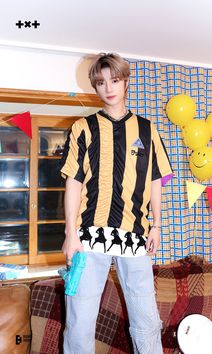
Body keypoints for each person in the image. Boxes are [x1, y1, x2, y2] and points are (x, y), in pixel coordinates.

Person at [60, 52, 173, 354]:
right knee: (80, 322)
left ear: (125, 82)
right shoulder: (82, 128)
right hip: (88, 237)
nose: (108, 87)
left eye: (115, 80)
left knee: (146, 319)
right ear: (95, 88)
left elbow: (155, 180)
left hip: (135, 235)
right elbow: (73, 182)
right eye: (100, 82)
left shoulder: (148, 130)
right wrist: (70, 234)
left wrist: (157, 226)